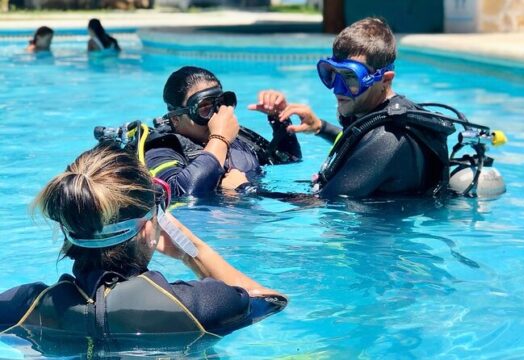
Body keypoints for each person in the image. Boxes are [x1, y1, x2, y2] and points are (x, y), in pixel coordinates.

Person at [0, 143, 287, 351]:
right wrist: (192, 251)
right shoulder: (196, 305)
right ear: (148, 227)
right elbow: (272, 301)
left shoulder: (26, 306)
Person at [250, 17, 459, 199]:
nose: (337, 88)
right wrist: (320, 127)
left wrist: (241, 189)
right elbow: (359, 143)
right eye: (333, 73)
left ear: (385, 80)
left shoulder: (389, 138)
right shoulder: (380, 116)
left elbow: (324, 202)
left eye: (350, 77)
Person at [143, 66, 302, 198]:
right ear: (176, 118)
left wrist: (280, 119)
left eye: (221, 103)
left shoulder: (236, 138)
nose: (216, 116)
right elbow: (180, 193)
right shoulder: (161, 150)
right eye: (204, 108)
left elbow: (287, 159)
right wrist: (219, 139)